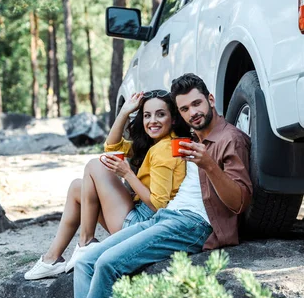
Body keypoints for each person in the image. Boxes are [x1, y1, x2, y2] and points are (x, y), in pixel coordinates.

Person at [20, 73, 252, 298]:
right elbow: (116, 153)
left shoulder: (232, 139)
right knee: (88, 261)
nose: (192, 113)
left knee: (108, 264)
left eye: (197, 104)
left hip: (193, 225)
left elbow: (240, 202)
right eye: (185, 109)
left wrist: (210, 165)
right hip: (167, 217)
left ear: (211, 100)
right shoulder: (193, 137)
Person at [24, 90, 190, 280]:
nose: (153, 120)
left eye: (160, 114)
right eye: (147, 115)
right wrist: (124, 112)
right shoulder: (156, 143)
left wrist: (127, 174)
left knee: (95, 166)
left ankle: (86, 243)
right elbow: (111, 147)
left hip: (142, 225)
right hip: (138, 216)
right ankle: (52, 259)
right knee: (78, 186)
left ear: (173, 119)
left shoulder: (164, 150)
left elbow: (159, 205)